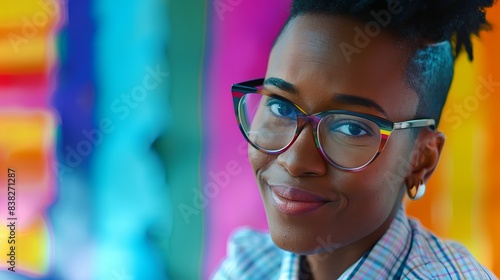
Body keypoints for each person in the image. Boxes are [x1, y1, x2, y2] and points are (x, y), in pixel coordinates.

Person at [213, 0, 498, 279]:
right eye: (281, 107)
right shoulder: (250, 266)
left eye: (351, 128)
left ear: (420, 160)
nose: (295, 161)